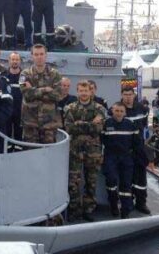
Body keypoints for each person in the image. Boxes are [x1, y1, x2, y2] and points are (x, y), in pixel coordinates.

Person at [64, 80, 106, 222]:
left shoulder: (99, 108)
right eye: (81, 91)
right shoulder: (70, 108)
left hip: (92, 151)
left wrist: (79, 124)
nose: (83, 93)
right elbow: (69, 128)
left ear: (91, 91)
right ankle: (74, 210)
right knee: (73, 182)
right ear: (77, 92)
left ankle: (88, 210)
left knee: (91, 182)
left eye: (86, 90)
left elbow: (98, 129)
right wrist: (89, 124)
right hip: (75, 150)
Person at [102, 102, 141, 219]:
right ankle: (113, 204)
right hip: (110, 157)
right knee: (111, 180)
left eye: (121, 111)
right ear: (112, 111)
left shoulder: (131, 125)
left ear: (125, 113)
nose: (119, 113)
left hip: (126, 157)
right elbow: (101, 141)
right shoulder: (106, 124)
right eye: (116, 111)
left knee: (126, 184)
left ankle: (125, 210)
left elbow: (137, 143)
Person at [20, 44, 63, 144]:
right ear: (32, 56)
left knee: (49, 155)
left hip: (49, 123)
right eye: (36, 54)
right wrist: (45, 90)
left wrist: (34, 90)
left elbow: (58, 96)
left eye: (41, 54)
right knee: (30, 154)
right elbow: (27, 95)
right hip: (30, 122)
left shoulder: (55, 74)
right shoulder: (25, 74)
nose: (39, 57)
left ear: (46, 55)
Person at [121, 86, 151, 215]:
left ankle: (141, 203)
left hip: (138, 149)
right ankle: (127, 203)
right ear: (122, 95)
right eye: (125, 94)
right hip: (124, 149)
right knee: (126, 178)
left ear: (134, 95)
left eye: (130, 94)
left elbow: (144, 126)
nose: (128, 97)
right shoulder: (117, 109)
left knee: (140, 178)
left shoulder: (142, 109)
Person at [4, 52, 23, 145]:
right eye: (13, 59)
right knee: (5, 137)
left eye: (17, 59)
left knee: (19, 137)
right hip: (6, 112)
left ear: (20, 61)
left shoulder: (25, 76)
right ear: (9, 61)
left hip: (20, 112)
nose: (15, 61)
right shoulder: (2, 76)